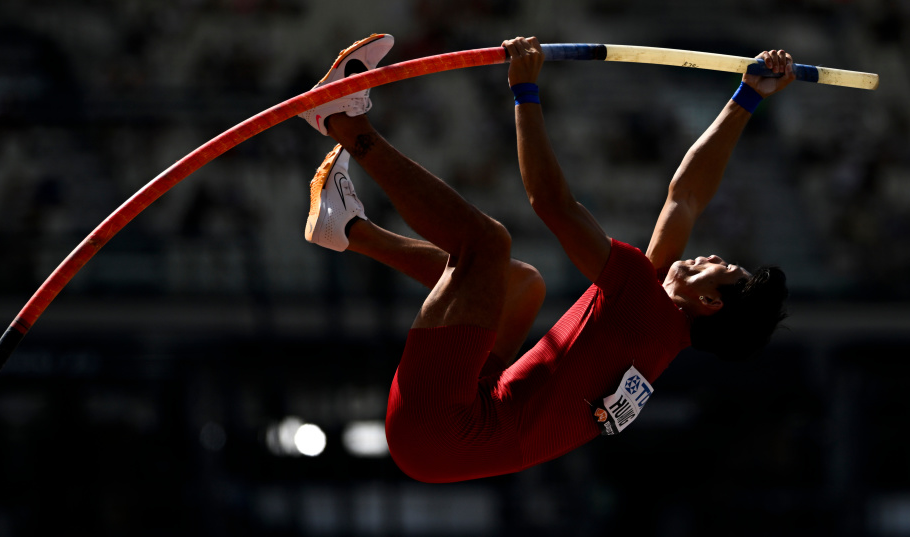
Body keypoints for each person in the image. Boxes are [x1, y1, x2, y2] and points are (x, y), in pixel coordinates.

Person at [298, 33, 792, 483]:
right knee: (519, 285)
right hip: (447, 445)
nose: (708, 254)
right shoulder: (659, 332)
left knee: (486, 244)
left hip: (444, 427)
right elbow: (684, 199)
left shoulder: (644, 305)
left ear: (709, 301)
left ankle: (343, 121)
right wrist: (746, 98)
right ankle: (349, 230)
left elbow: (551, 204)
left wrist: (525, 92)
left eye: (720, 267)